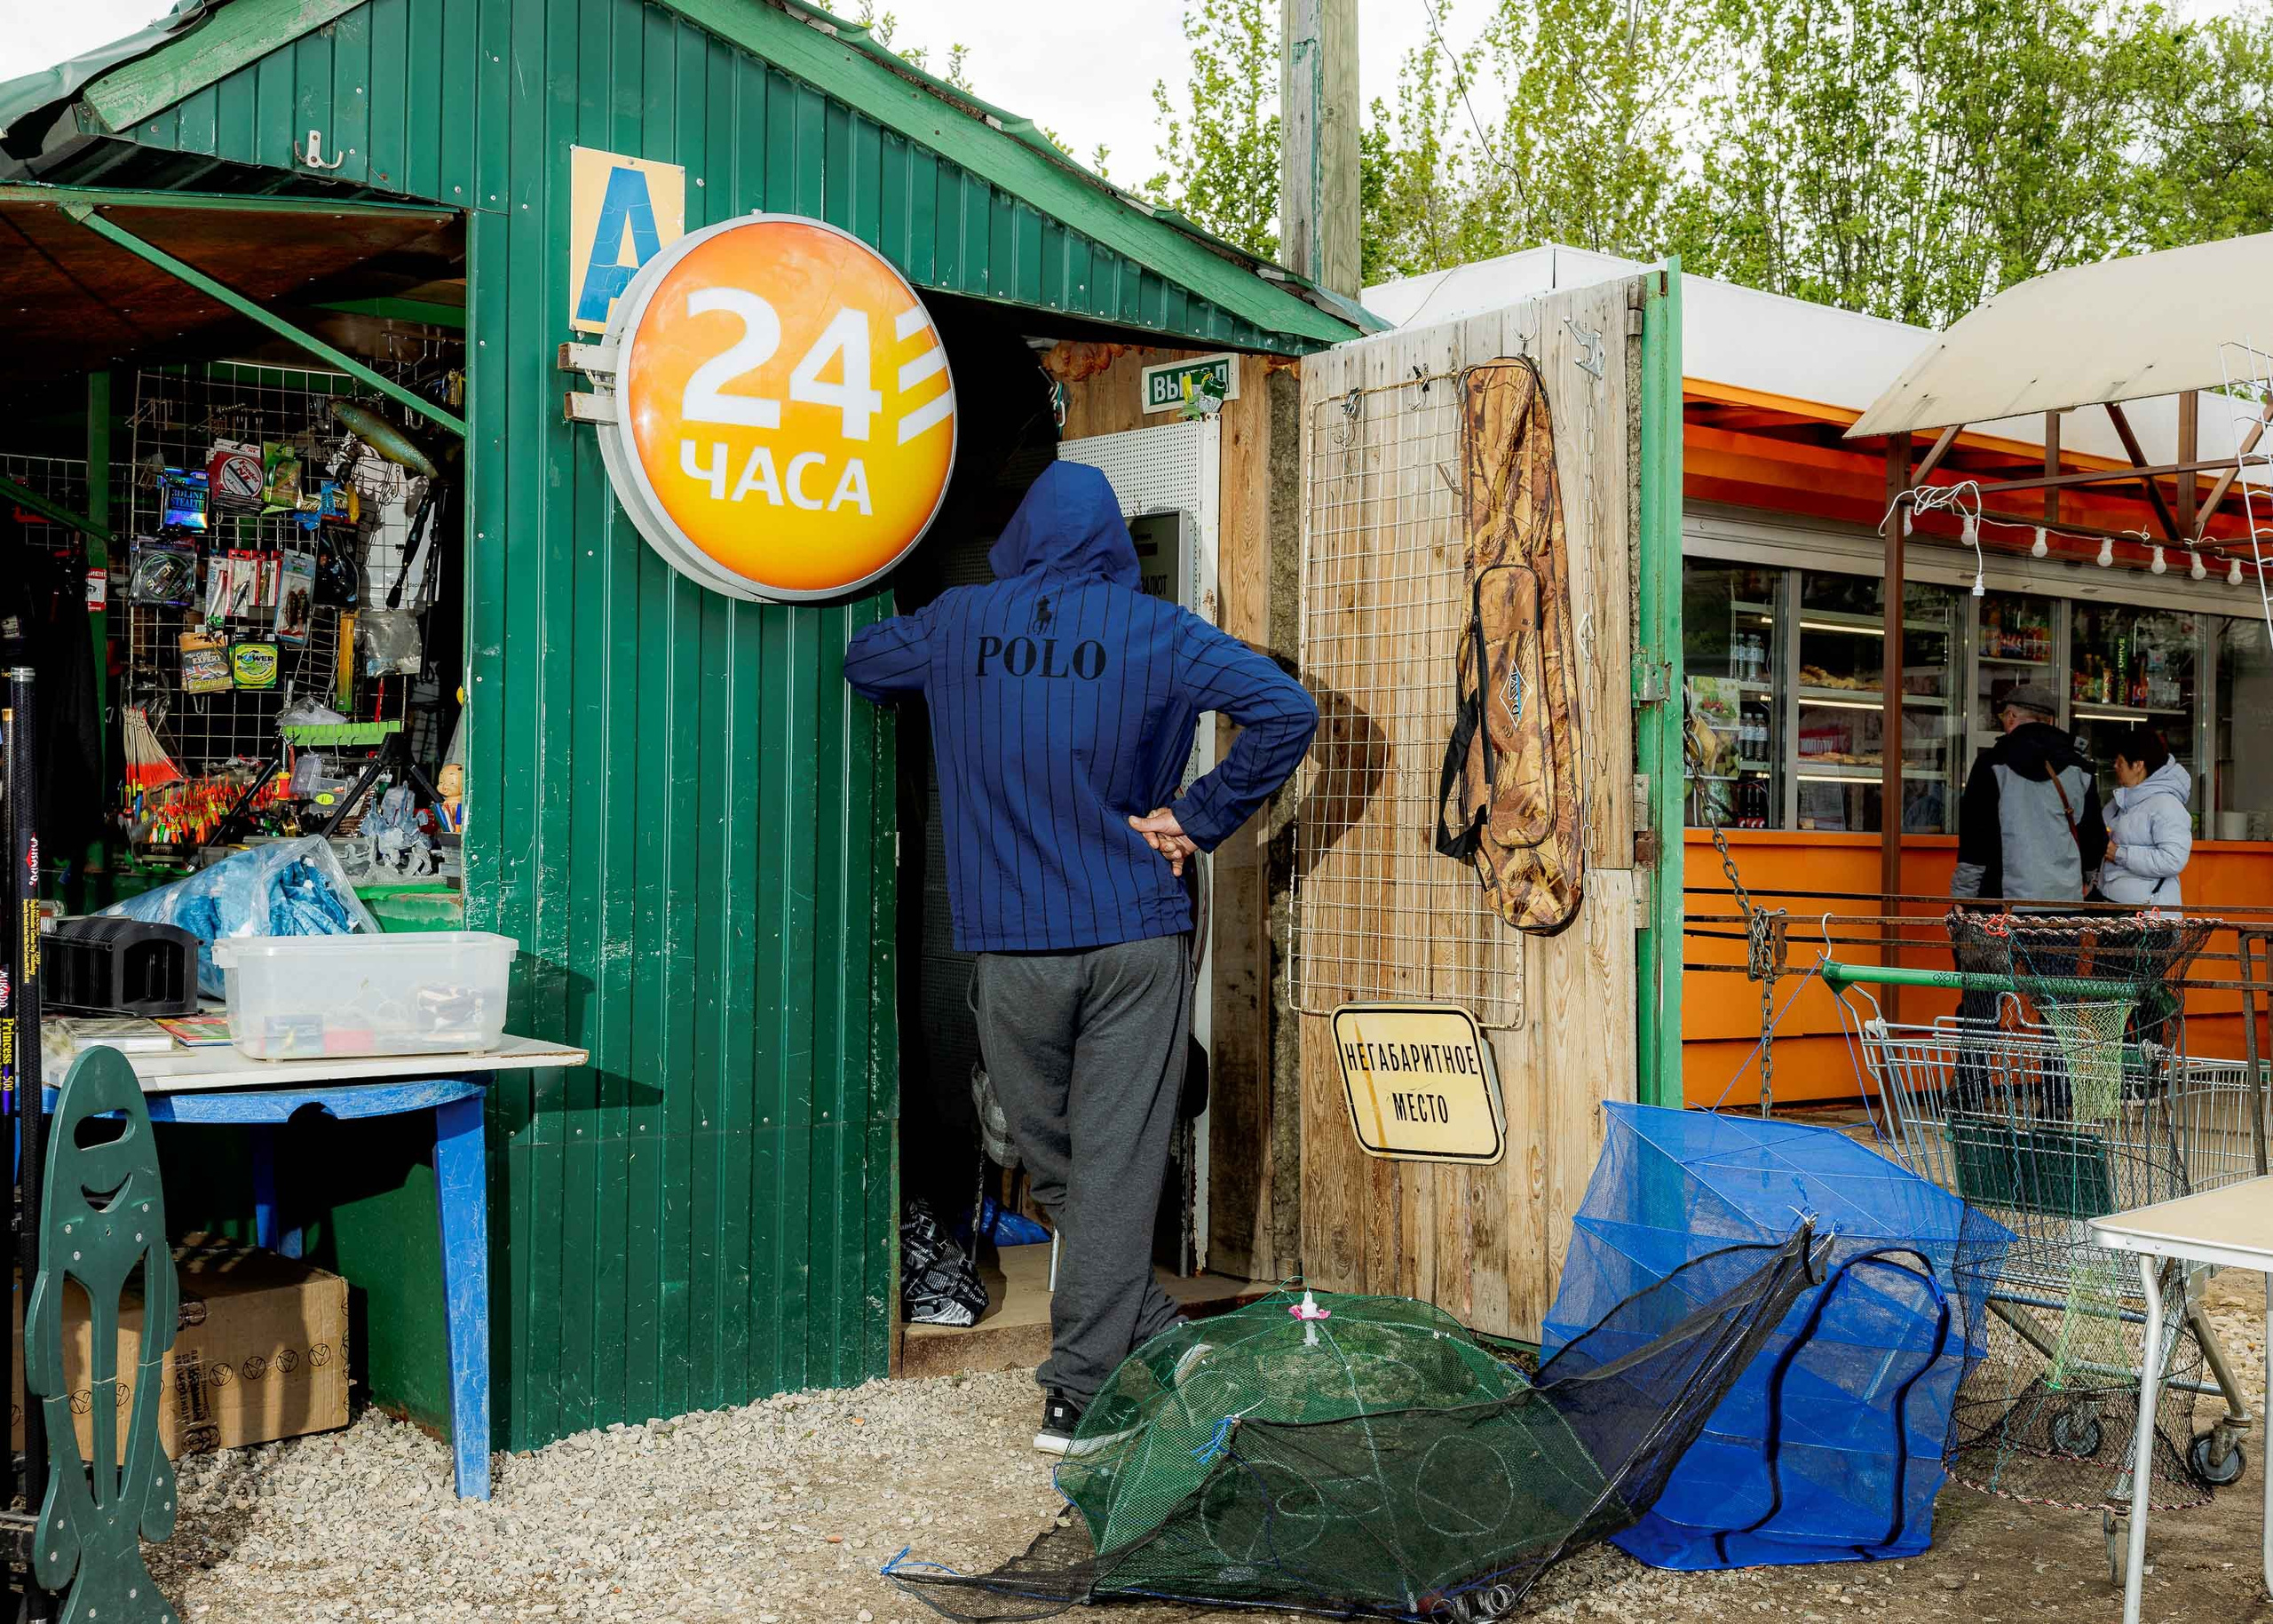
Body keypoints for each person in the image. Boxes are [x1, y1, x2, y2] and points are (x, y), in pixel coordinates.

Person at [843, 461, 1319, 1454]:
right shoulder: (1159, 629)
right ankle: (1147, 1328)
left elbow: (864, 661)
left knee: (1060, 1149)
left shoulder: (959, 623)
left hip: (1014, 946)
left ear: (1021, 536)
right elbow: (1286, 710)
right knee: (1106, 1161)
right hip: (1135, 933)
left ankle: (1079, 1390)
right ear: (1111, 545)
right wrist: (1197, 817)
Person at [1951, 683, 2107, 904]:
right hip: (2064, 904)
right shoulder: (2080, 768)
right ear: (2050, 721)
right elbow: (2093, 837)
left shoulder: (1991, 764)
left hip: (2001, 906)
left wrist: (1963, 899)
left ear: (2011, 717)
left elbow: (1975, 841)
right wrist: (2089, 882)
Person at [2096, 725, 2192, 910]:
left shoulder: (2167, 805)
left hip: (2149, 916)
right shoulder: (2118, 803)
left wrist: (2119, 854)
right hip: (2114, 908)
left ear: (2138, 765)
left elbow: (2173, 859)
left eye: (2120, 762)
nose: (2115, 767)